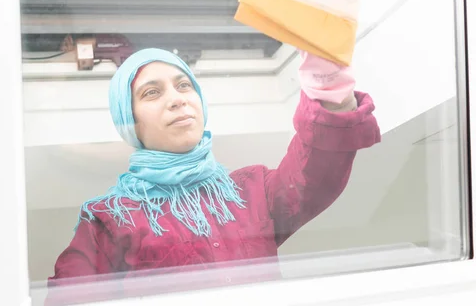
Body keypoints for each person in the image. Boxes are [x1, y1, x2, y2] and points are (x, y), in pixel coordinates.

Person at [47, 48, 380, 302]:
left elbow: (315, 174)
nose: (177, 99)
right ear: (128, 120)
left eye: (183, 86)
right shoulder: (108, 220)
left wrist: (329, 84)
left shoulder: (251, 191)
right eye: (152, 92)